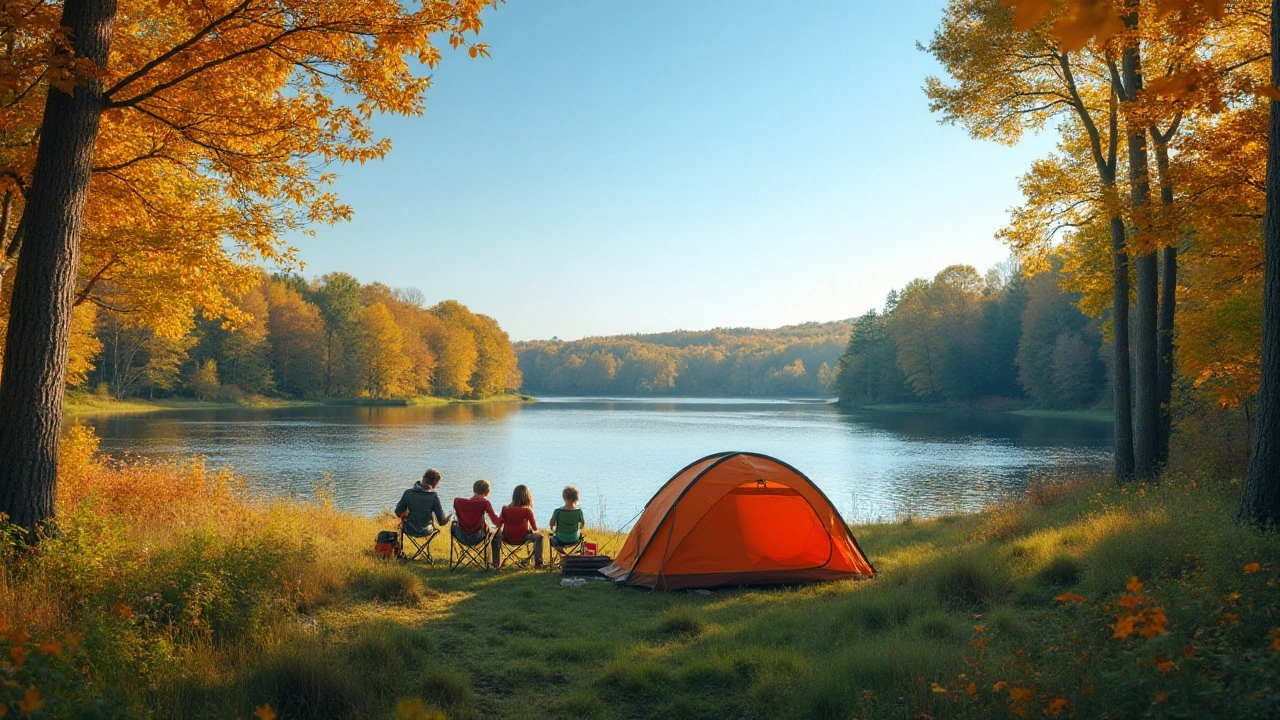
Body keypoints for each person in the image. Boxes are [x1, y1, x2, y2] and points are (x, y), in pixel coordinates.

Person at [493, 484, 543, 569]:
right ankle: (538, 564)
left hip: (507, 538)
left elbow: (498, 524)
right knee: (540, 537)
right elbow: (534, 528)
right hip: (523, 538)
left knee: (495, 538)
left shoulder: (505, 509)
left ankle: (497, 564)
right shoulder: (527, 510)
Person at [395, 468, 452, 539]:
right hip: (426, 530)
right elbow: (441, 522)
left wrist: (405, 514)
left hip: (409, 529)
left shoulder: (408, 493)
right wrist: (450, 514)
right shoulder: (433, 495)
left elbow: (398, 512)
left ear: (423, 478)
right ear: (435, 482)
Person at [453, 479, 500, 548]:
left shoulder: (459, 502)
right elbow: (495, 521)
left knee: (453, 525)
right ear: (487, 492)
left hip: (461, 536)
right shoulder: (485, 503)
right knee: (491, 530)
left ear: (474, 490)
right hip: (477, 537)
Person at [548, 485, 585, 551]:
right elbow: (582, 523)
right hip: (575, 539)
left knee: (552, 539)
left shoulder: (558, 511)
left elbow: (551, 524)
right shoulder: (579, 511)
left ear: (564, 498)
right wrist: (578, 529)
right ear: (576, 498)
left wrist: (553, 530)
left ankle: (560, 548)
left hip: (560, 540)